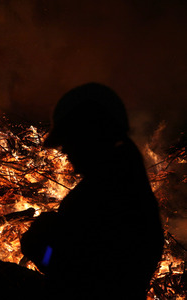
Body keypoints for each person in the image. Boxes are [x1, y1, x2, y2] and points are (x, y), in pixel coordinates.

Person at [20, 83, 164, 299]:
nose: (66, 152)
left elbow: (63, 270)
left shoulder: (104, 197)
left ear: (91, 135)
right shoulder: (125, 181)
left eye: (69, 141)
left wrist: (41, 244)